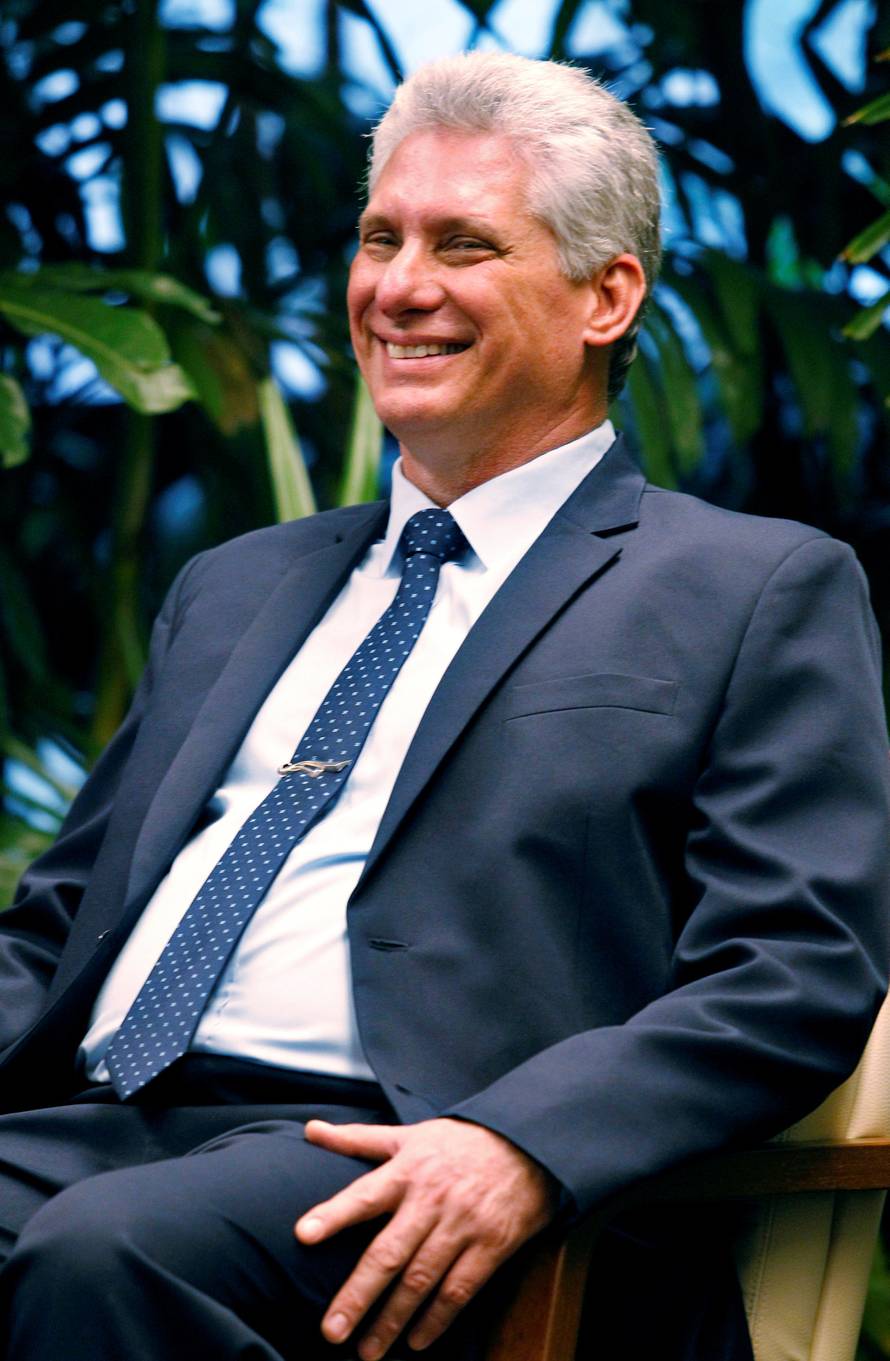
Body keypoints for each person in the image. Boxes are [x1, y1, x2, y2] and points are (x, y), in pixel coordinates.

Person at [0, 49, 888, 1361]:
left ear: (606, 295)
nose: (399, 287)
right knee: (103, 1220)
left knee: (103, 1252)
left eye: (462, 244)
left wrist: (523, 1139)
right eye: (379, 237)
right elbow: (63, 919)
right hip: (100, 1114)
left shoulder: (751, 585)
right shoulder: (238, 583)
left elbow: (794, 968)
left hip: (407, 1154)